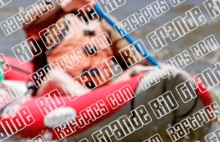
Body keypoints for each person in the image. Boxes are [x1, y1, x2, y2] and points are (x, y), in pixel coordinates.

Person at [21, 0, 152, 98]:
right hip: (54, 96)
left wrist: (161, 73)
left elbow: (136, 61)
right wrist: (64, 7)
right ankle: (92, 102)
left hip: (101, 97)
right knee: (55, 76)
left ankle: (98, 104)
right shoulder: (49, 16)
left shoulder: (104, 23)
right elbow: (31, 28)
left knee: (137, 70)